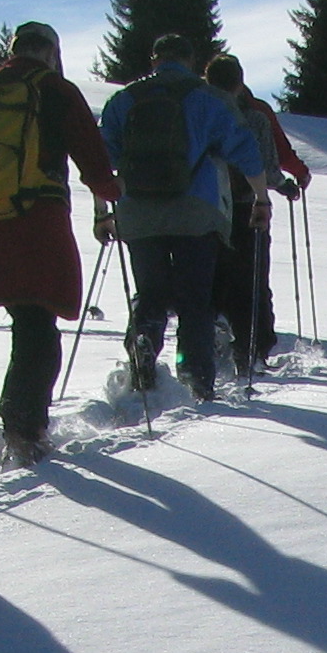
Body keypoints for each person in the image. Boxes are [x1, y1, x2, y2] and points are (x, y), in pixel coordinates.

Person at [0, 21, 118, 463]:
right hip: (38, 221)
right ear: (52, 53)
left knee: (26, 323)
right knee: (39, 326)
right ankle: (24, 429)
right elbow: (92, 157)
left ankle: (20, 423)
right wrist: (112, 195)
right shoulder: (55, 89)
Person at [96, 33, 264, 403]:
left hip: (138, 213)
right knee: (195, 298)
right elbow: (245, 150)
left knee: (151, 292)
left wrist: (102, 212)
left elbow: (101, 160)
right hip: (197, 212)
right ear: (190, 60)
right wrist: (261, 198)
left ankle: (144, 349)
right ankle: (196, 378)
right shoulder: (209, 98)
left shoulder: (124, 100)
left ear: (154, 59)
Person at [201, 53, 310, 384]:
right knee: (252, 279)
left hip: (205, 208)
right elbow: (270, 158)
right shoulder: (256, 113)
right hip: (250, 206)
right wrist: (290, 181)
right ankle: (254, 349)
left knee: (211, 276)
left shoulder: (196, 108)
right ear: (241, 79)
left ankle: (208, 341)